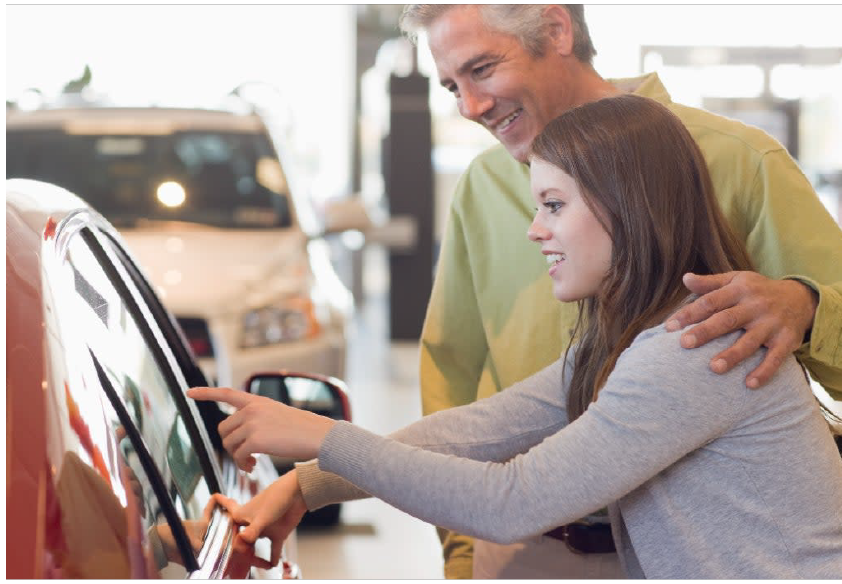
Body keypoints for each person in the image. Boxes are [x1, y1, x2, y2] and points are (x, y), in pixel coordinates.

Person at [189, 94, 842, 579]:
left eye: (554, 205)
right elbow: (476, 432)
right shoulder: (629, 341)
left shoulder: (688, 350)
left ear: (628, 207)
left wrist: (323, 435)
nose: (535, 229)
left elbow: (511, 501)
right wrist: (305, 484)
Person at [397, 4, 842, 579]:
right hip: (523, 547)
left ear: (557, 30)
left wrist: (806, 303)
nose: (470, 107)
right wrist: (461, 546)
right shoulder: (481, 186)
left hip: (696, 551)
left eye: (482, 69)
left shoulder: (738, 159)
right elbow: (452, 370)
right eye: (452, 85)